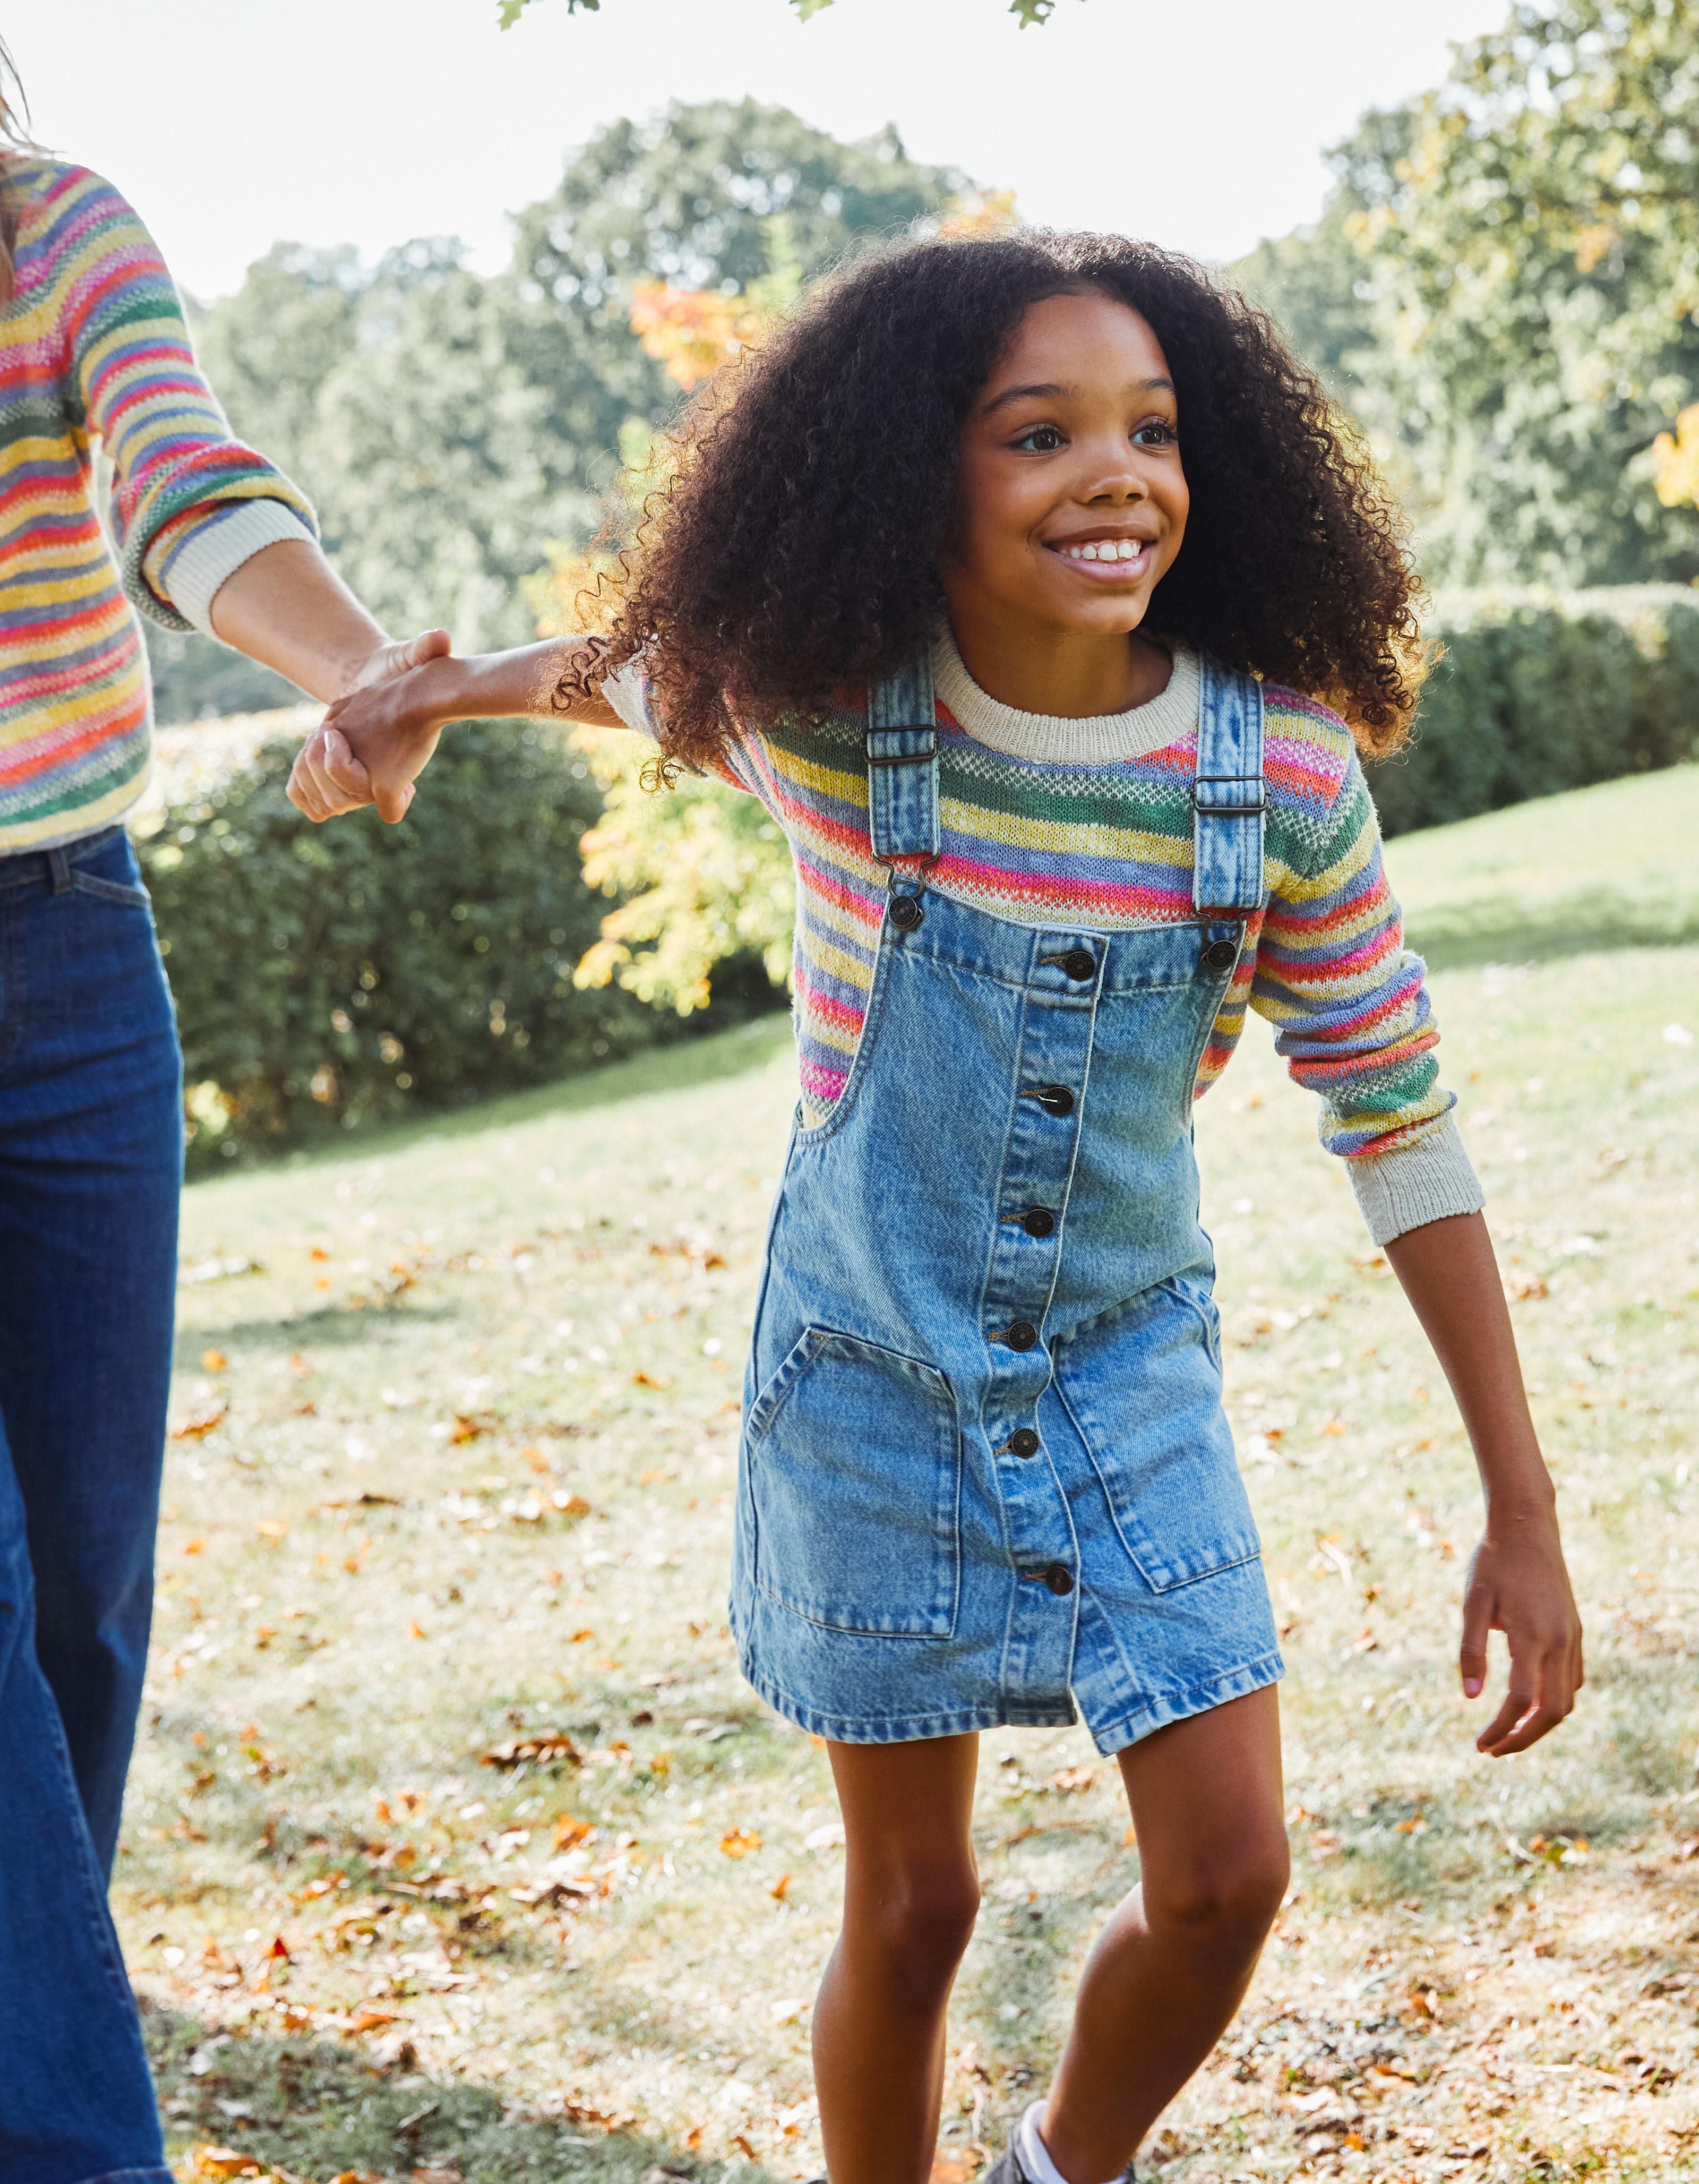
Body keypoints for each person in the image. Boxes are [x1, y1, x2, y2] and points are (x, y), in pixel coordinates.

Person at [294, 230, 1584, 2184]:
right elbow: (617, 678)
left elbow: (1396, 1118)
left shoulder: (1278, 776)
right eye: (1040, 432)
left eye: (1153, 429)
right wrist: (425, 695)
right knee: (915, 1914)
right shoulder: (833, 719)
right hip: (868, 1373)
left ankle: (1063, 2165)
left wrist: (1524, 1500)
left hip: (1125, 1372)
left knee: (1230, 1875)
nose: (1118, 474)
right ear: (921, 474)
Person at [0, 52, 447, 2184]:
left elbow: (188, 492)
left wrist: (358, 674)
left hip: (71, 959)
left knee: (85, 1591)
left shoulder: (54, 228)